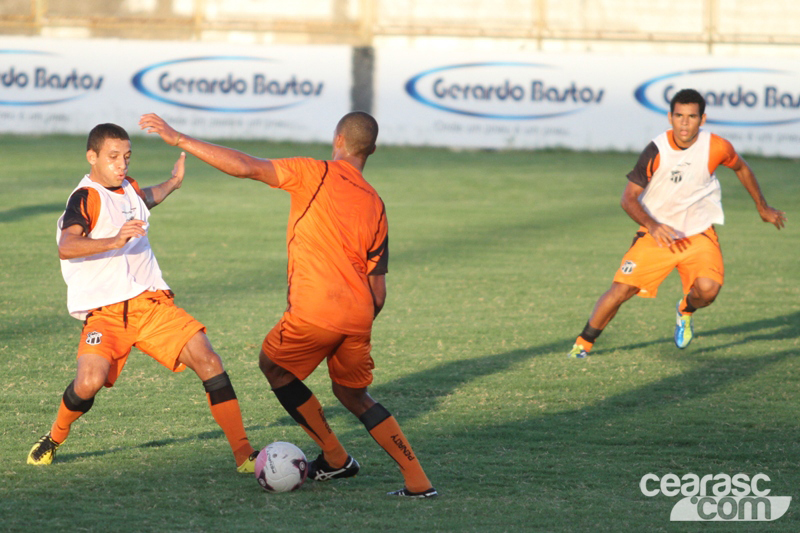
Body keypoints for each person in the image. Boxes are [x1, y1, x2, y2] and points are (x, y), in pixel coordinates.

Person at [139, 111, 438, 498]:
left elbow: (247, 166)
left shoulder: (315, 172)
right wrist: (355, 323)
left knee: (274, 367)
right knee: (353, 395)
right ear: (373, 150)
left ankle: (335, 454)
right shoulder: (375, 203)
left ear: (338, 140)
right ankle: (417, 482)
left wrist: (180, 139)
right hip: (360, 315)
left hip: (316, 311)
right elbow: (377, 289)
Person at [27, 123, 257, 473]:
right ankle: (55, 436)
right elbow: (66, 245)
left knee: (209, 360)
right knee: (88, 383)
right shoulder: (85, 197)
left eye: (127, 157)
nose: (122, 165)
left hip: (152, 306)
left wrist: (173, 184)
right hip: (106, 314)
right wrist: (113, 241)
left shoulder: (127, 188)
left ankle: (244, 454)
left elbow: (143, 198)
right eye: (113, 157)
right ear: (92, 157)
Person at [568, 88, 786, 358]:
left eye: (691, 116)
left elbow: (741, 167)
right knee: (620, 291)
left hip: (698, 233)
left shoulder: (717, 146)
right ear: (670, 117)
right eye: (679, 116)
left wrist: (762, 207)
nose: (685, 122)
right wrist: (653, 225)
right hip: (656, 234)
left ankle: (685, 309)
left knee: (708, 292)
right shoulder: (656, 150)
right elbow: (628, 199)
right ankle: (583, 344)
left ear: (702, 119)